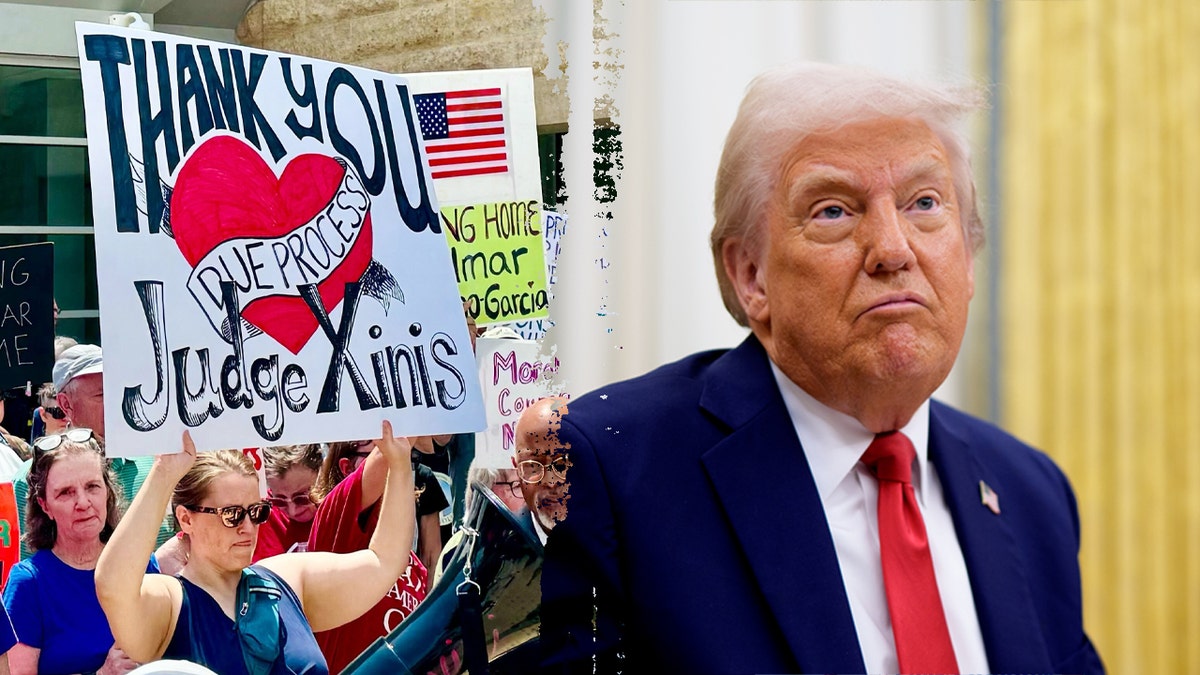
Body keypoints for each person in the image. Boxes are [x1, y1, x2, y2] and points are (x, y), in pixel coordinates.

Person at [535, 62, 1104, 675]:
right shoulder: (609, 467)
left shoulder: (1032, 492)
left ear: (968, 258)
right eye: (833, 210)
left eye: (925, 203)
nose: (892, 249)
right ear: (751, 274)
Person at [93, 422, 415, 674]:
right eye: (231, 515)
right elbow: (113, 587)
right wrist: (164, 474)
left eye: (257, 512)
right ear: (185, 520)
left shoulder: (284, 579)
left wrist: (400, 464)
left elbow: (383, 562)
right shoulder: (172, 603)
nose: (248, 527)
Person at [2, 429, 155, 675]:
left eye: (92, 486)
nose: (83, 503)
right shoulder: (29, 584)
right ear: (45, 506)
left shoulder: (140, 564)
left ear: (108, 492)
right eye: (66, 492)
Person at [13, 345, 175, 559]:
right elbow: (28, 565)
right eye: (102, 395)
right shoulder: (33, 478)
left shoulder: (157, 464)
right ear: (65, 403)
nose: (118, 402)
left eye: (119, 390)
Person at [306, 439, 440, 674]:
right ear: (347, 468)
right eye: (377, 453)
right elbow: (394, 448)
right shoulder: (335, 523)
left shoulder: (412, 564)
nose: (391, 461)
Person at [252, 444, 322, 561]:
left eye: (302, 498)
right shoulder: (260, 516)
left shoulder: (343, 508)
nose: (293, 511)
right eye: (279, 501)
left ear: (322, 476)